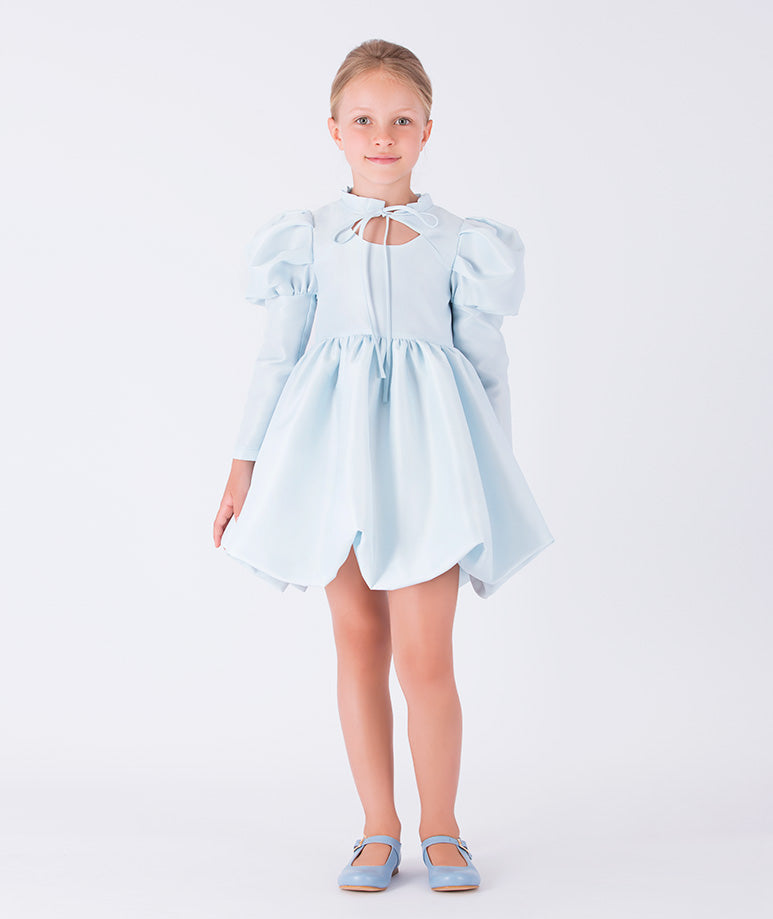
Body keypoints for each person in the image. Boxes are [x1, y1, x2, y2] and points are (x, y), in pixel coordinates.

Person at [213, 38, 554, 892]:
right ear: (333, 129)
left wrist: (493, 476)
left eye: (401, 120)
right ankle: (377, 826)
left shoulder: (460, 242)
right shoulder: (306, 239)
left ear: (427, 130)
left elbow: (486, 366)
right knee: (358, 642)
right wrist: (244, 464)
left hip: (428, 465)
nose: (382, 136)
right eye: (363, 119)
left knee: (425, 655)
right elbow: (277, 357)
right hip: (332, 457)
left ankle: (442, 827)